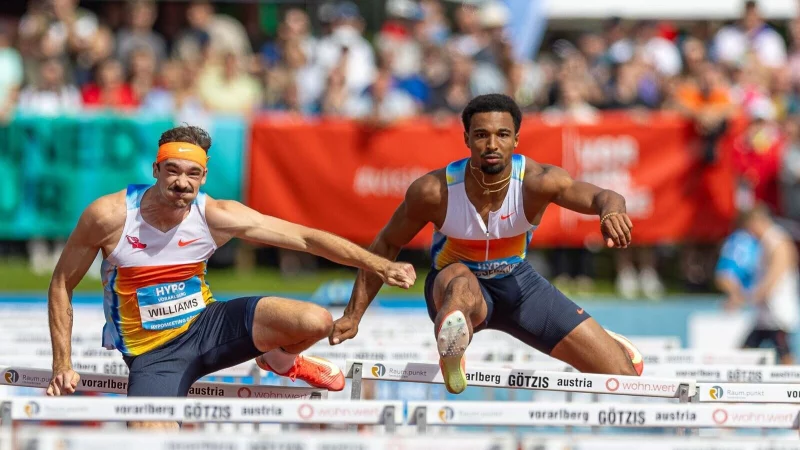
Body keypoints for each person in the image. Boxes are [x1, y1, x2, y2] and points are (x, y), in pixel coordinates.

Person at [45, 125, 416, 425]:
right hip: (152, 353)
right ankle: (272, 360)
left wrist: (380, 265)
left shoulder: (215, 215)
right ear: (155, 170)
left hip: (209, 326)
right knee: (150, 436)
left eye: (192, 173)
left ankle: (280, 360)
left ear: (204, 177)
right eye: (172, 170)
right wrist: (62, 362)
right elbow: (62, 284)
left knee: (316, 320)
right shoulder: (110, 216)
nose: (181, 182)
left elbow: (304, 238)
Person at [331, 93, 643, 394]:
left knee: (623, 378)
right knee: (460, 288)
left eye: (502, 135)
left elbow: (602, 196)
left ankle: (603, 343)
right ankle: (452, 344)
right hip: (457, 281)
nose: (492, 144)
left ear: (516, 139)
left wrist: (611, 211)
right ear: (466, 139)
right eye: (481, 135)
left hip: (519, 286)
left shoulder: (538, 181)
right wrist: (354, 314)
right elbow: (386, 244)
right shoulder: (434, 191)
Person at [716, 204, 799, 364]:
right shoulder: (764, 244)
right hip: (765, 316)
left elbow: (772, 280)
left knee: (786, 360)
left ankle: (794, 389)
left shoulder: (779, 242)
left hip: (779, 315)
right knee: (743, 357)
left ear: (756, 222)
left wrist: (743, 299)